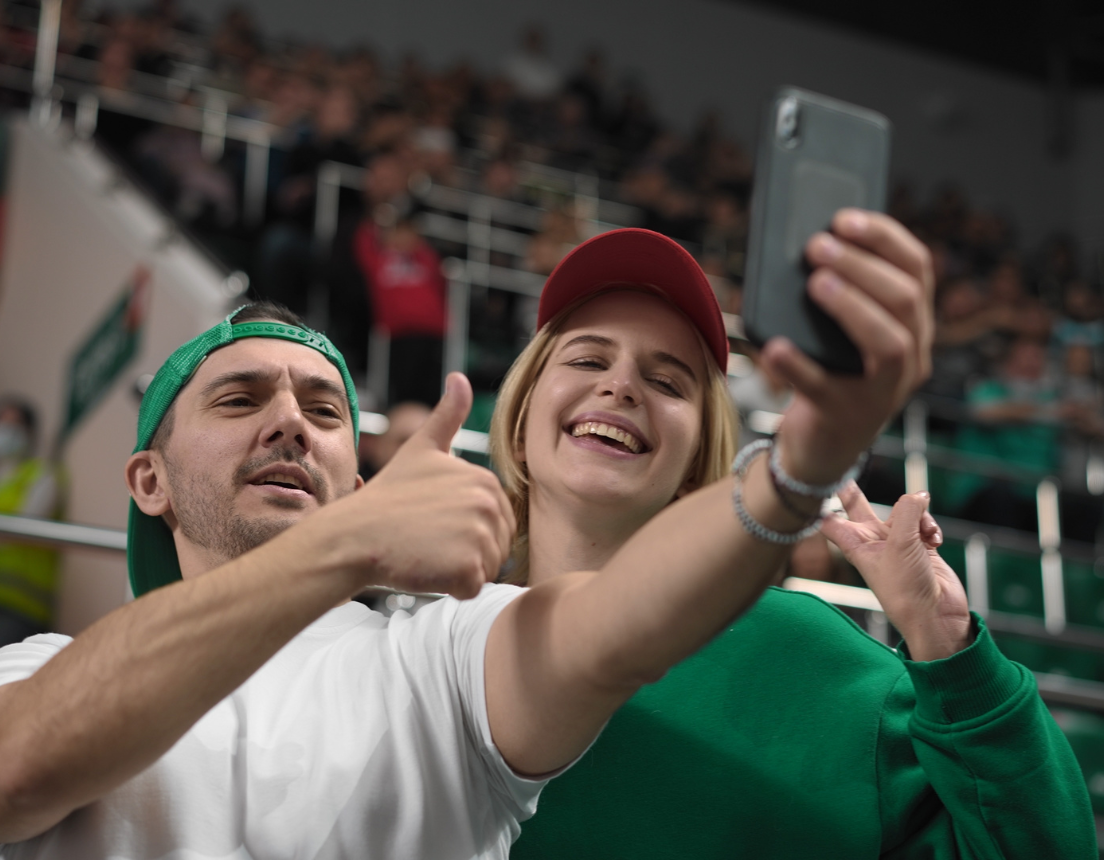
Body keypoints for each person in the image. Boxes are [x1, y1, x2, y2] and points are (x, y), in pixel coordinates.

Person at [0, 202, 927, 857]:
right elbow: (20, 767)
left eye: (326, 411)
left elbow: (610, 632)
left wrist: (802, 462)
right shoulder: (37, 667)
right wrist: (343, 544)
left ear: (356, 475)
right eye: (240, 398)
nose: (288, 421)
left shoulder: (436, 653)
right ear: (147, 480)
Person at [502, 231, 1094, 858]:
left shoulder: (808, 654)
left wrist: (946, 641)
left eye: (669, 382)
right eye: (588, 360)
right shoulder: (429, 646)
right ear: (518, 424)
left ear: (697, 462)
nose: (621, 386)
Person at [0, 399, 63, 647]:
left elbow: (24, 526)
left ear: (30, 433)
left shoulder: (42, 474)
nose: (6, 429)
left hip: (22, 606)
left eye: (15, 424)